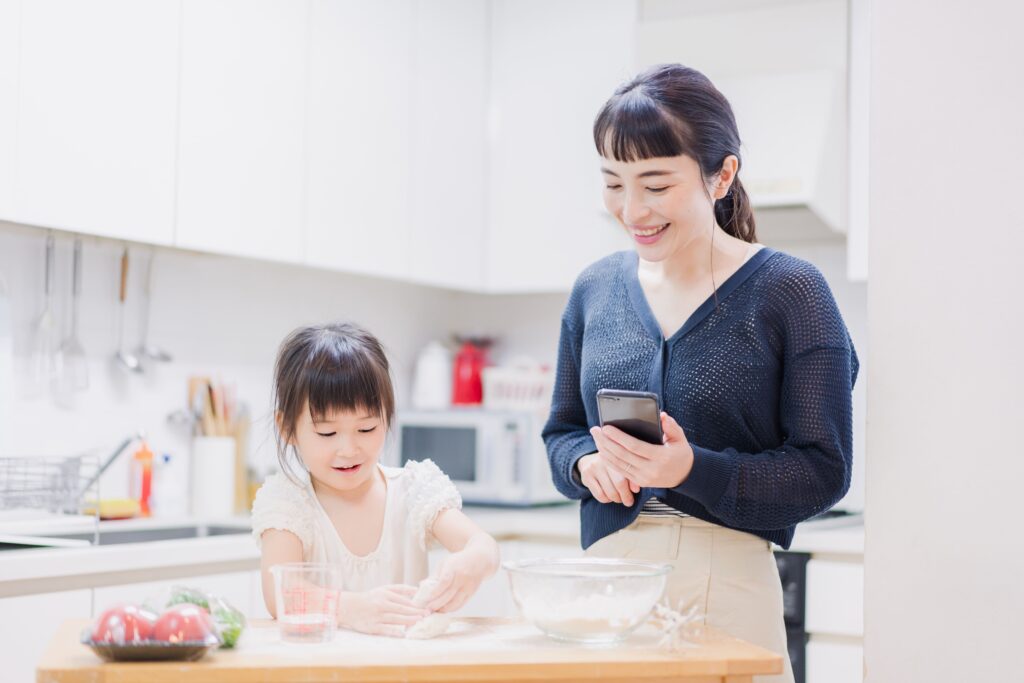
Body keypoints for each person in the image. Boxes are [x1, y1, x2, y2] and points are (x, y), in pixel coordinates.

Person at [543, 64, 859, 683]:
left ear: (723, 175)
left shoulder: (792, 293)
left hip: (729, 587)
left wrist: (691, 470)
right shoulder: (594, 291)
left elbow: (825, 469)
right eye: (613, 184)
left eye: (655, 186)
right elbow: (560, 433)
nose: (631, 210)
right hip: (608, 583)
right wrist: (586, 464)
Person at [252, 322, 500, 637]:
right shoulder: (288, 502)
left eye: (367, 428)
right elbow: (280, 595)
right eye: (327, 433)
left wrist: (471, 563)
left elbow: (484, 547)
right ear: (287, 428)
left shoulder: (413, 489)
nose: (349, 449)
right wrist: (351, 609)